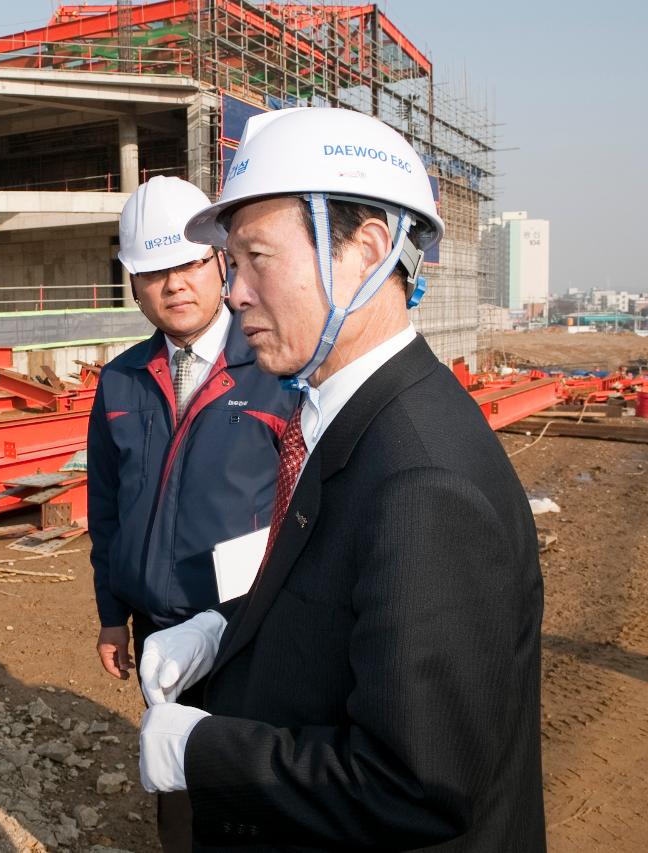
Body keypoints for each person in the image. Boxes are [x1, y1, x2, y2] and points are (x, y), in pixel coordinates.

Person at [138, 107, 545, 851]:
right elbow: (348, 611)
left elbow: (413, 785)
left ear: (366, 249)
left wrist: (201, 751)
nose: (235, 292)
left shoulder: (424, 482)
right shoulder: (337, 414)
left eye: (259, 257)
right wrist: (228, 630)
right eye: (233, 263)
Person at [87, 175, 293, 851]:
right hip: (158, 635)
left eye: (190, 265)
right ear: (133, 283)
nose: (175, 285)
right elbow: (108, 507)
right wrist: (111, 615)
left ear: (220, 262)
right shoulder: (119, 380)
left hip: (249, 629)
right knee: (174, 784)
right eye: (153, 273)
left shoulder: (274, 369)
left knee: (250, 786)